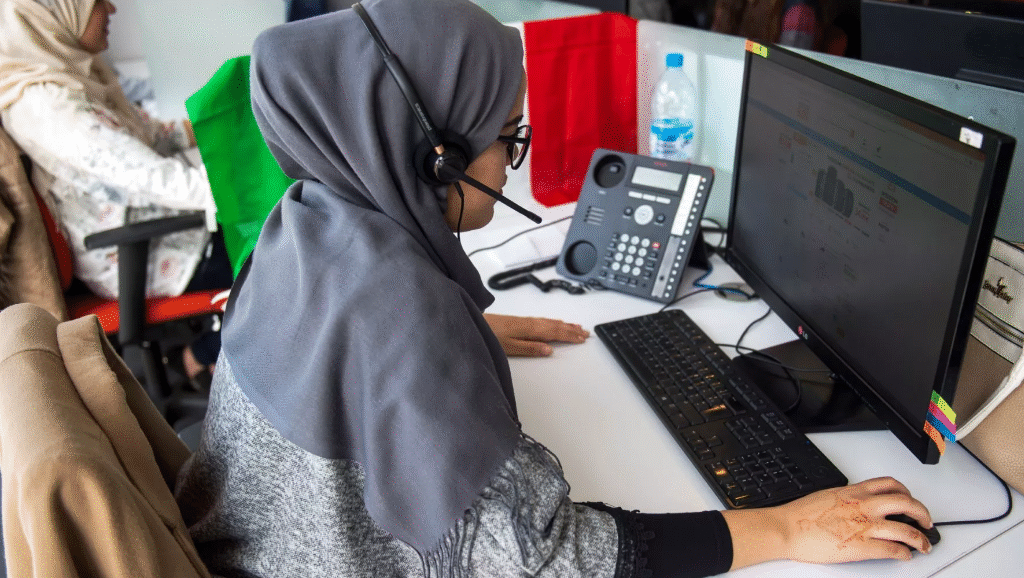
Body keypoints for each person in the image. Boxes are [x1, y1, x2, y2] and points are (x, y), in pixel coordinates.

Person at [174, 1, 936, 576]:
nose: (511, 166)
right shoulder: (402, 315)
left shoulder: (305, 220)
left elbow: (341, 348)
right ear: (438, 157)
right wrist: (786, 529)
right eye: (508, 136)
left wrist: (459, 343)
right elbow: (540, 558)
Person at [0, 0, 231, 384]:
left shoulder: (73, 75)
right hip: (148, 251)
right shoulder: (48, 106)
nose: (111, 9)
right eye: (96, 2)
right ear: (60, 11)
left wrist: (223, 119)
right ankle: (201, 355)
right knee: (293, 256)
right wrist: (247, 183)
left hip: (165, 226)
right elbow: (152, 179)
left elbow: (149, 138)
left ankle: (202, 354)